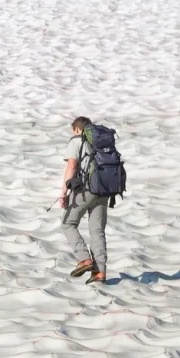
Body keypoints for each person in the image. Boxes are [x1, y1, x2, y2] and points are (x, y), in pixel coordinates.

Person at [59, 115, 114, 284]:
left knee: (68, 223)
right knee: (97, 231)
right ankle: (99, 272)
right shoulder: (103, 142)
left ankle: (84, 259)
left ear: (77, 129)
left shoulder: (76, 141)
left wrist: (64, 193)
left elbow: (72, 166)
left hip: (86, 189)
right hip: (104, 190)